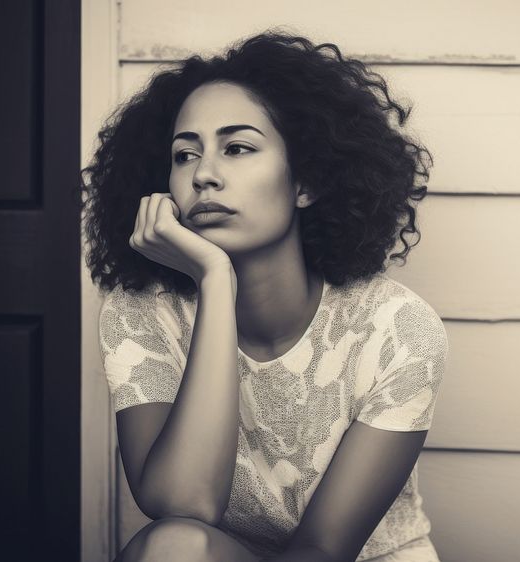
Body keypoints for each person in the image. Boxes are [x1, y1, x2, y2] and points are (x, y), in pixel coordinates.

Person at [81, 29, 449, 562]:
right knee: (173, 546)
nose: (204, 175)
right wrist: (214, 281)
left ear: (306, 183)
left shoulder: (396, 329)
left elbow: (323, 550)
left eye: (237, 148)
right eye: (185, 155)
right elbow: (184, 504)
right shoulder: (143, 313)